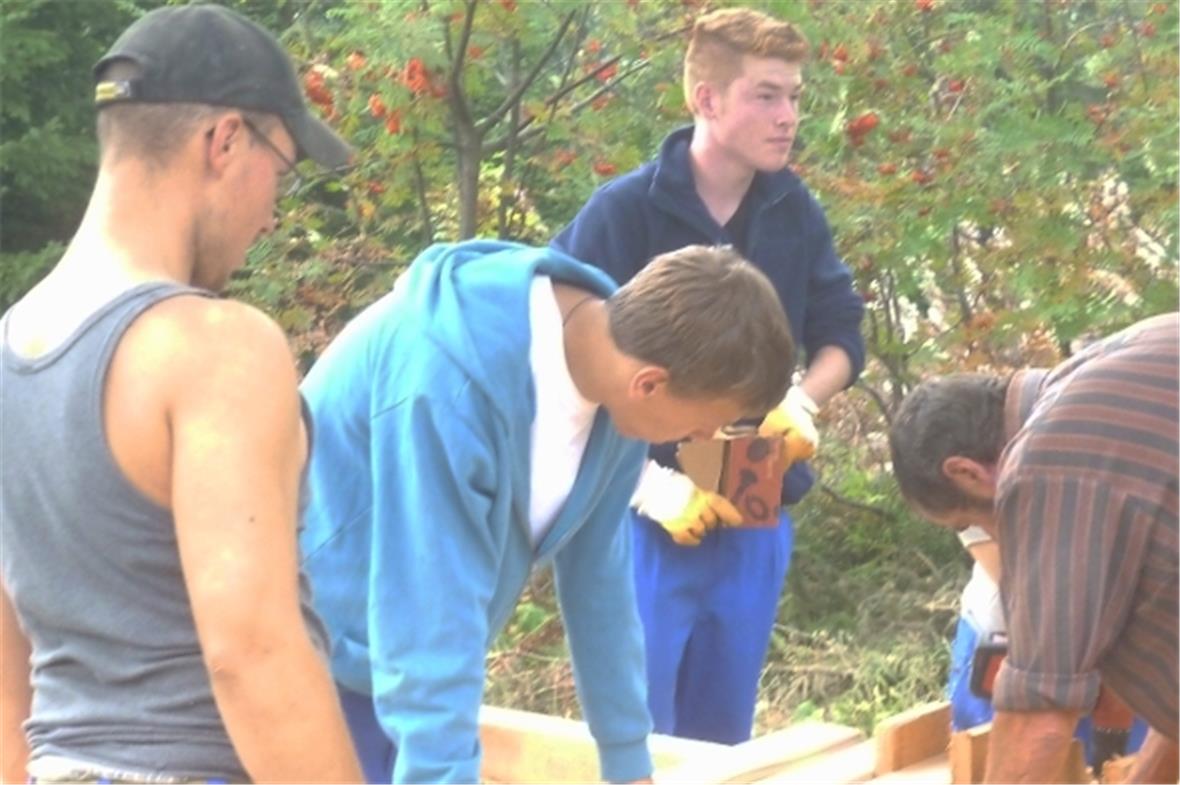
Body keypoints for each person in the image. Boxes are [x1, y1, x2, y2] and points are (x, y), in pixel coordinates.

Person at [0, 5, 363, 783]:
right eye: (283, 167)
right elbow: (252, 654)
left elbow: (6, 635)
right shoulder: (214, 347)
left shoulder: (9, 347)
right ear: (225, 140)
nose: (272, 214)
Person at [298, 240, 794, 783]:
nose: (703, 440)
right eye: (702, 424)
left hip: (393, 676)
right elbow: (431, 610)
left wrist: (628, 762)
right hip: (306, 670)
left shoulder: (614, 394)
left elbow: (600, 589)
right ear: (649, 383)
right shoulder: (450, 385)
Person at [551, 7, 865, 744]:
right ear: (706, 99)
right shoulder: (621, 212)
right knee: (634, 731)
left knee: (722, 738)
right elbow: (555, 363)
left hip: (754, 490)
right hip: (644, 503)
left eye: (794, 96)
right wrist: (638, 484)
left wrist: (800, 397)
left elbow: (842, 330)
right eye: (766, 95)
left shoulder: (794, 208)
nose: (788, 116)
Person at [889, 312, 1178, 783]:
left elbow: (1036, 720)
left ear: (966, 472)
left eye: (973, 522)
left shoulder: (1045, 460)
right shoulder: (1117, 368)